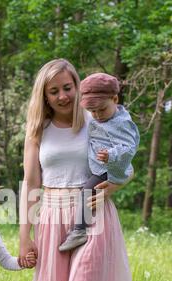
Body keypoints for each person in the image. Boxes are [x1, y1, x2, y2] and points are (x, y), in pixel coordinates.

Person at [19, 59, 134, 281]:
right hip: (53, 217)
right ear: (44, 95)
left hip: (93, 215)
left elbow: (127, 167)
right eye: (53, 91)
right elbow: (30, 182)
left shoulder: (96, 120)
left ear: (78, 86)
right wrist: (25, 235)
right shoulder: (38, 130)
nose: (62, 96)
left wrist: (112, 187)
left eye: (67, 88)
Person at [59, 72, 140, 252]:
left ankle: (79, 231)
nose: (96, 115)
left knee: (87, 190)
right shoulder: (99, 118)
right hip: (100, 167)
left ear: (115, 98)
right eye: (92, 111)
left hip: (109, 169)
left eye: (101, 109)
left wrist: (111, 155)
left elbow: (129, 147)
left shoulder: (121, 123)